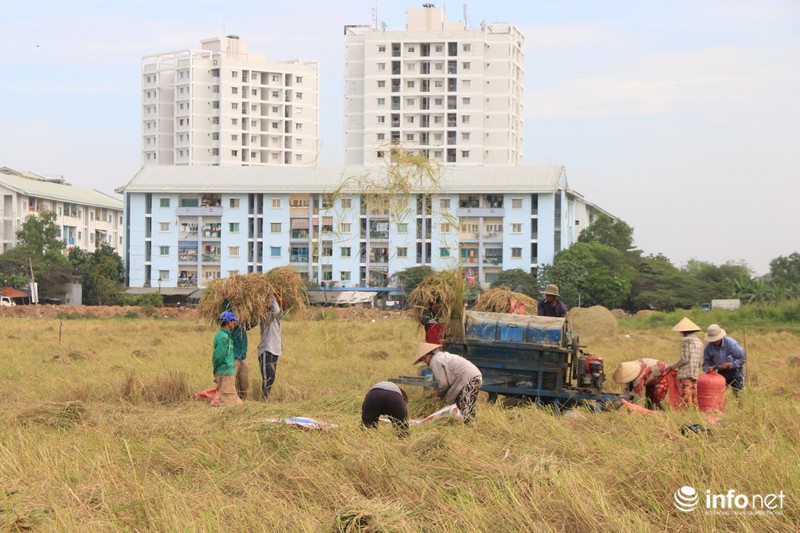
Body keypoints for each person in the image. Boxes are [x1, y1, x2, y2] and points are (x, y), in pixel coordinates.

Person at [412, 342, 483, 424]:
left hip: (469, 378)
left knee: (465, 406)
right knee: (464, 405)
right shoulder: (441, 356)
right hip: (473, 375)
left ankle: (470, 427)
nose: (424, 362)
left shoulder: (435, 361)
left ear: (427, 356)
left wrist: (437, 394)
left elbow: (443, 384)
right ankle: (467, 425)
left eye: (423, 359)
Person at [613, 358, 678, 410]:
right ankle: (650, 412)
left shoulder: (639, 378)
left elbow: (637, 397)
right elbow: (627, 392)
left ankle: (664, 412)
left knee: (657, 399)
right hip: (652, 375)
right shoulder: (631, 369)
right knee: (648, 397)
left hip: (663, 374)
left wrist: (631, 408)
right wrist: (618, 402)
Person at [703, 324, 746, 396]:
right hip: (719, 373)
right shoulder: (708, 348)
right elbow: (706, 362)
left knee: (739, 395)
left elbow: (742, 358)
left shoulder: (732, 344)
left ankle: (741, 407)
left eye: (716, 339)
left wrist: (729, 365)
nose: (715, 341)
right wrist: (709, 369)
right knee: (717, 396)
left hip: (735, 372)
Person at [221, 294, 251, 400]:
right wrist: (226, 298)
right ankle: (233, 401)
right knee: (231, 382)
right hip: (233, 357)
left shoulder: (243, 324)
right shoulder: (230, 327)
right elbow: (226, 312)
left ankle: (243, 401)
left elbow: (254, 321)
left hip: (243, 357)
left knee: (245, 382)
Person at [670, 317, 704, 408]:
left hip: (685, 373)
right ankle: (695, 415)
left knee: (686, 397)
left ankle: (686, 416)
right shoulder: (699, 342)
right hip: (695, 373)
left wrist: (672, 367)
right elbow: (700, 363)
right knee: (694, 397)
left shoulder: (685, 341)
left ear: (683, 332)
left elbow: (684, 359)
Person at [257, 294, 283, 400]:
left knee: (271, 378)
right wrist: (272, 294)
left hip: (275, 350)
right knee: (268, 378)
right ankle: (264, 399)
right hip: (266, 350)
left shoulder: (276, 318)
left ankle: (265, 398)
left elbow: (279, 309)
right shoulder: (265, 316)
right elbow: (276, 309)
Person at [213, 311, 241, 406]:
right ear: (228, 322)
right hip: (225, 372)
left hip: (226, 371)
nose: (234, 323)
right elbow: (219, 356)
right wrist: (217, 369)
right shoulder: (223, 337)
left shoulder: (225, 335)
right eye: (233, 321)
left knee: (230, 400)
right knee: (227, 402)